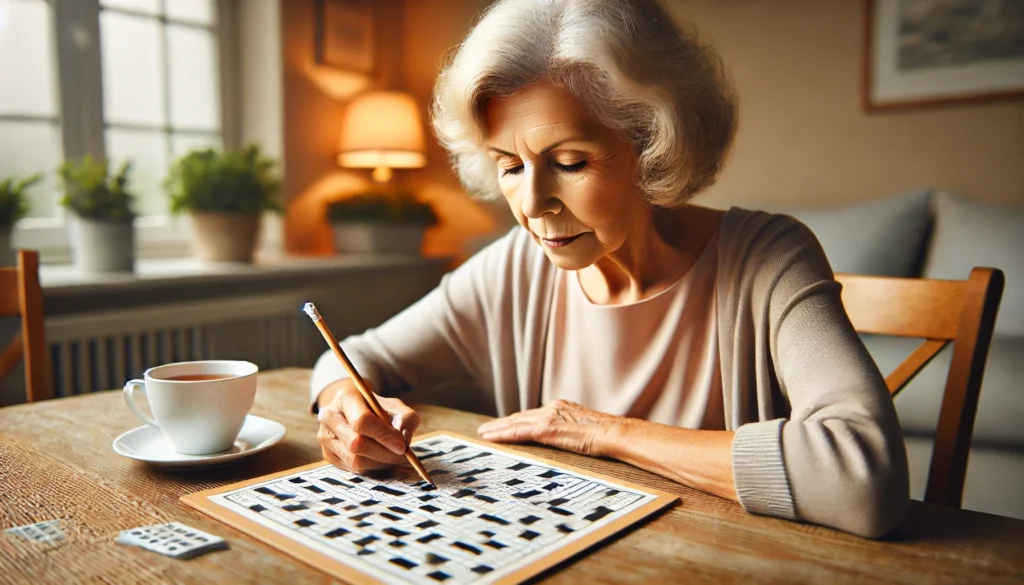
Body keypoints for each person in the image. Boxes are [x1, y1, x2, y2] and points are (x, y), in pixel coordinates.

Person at [310, 0, 909, 538]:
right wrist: (347, 407)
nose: (532, 204)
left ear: (652, 146)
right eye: (509, 166)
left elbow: (863, 477)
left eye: (569, 162)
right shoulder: (511, 271)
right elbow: (352, 357)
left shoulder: (768, 258)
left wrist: (607, 433)